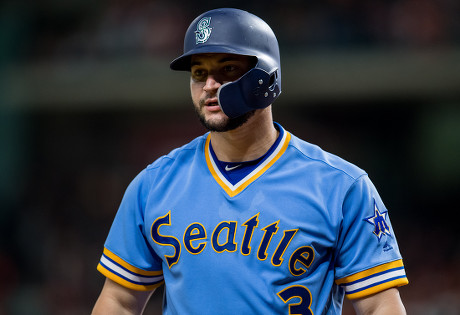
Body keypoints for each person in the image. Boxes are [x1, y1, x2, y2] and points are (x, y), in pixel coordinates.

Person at [92, 8, 408, 315]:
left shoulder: (340, 187)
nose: (209, 85)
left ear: (266, 79)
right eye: (199, 73)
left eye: (227, 69)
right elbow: (119, 301)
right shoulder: (154, 185)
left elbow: (380, 306)